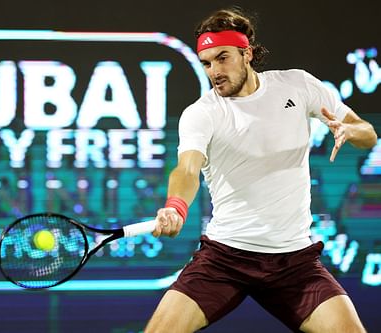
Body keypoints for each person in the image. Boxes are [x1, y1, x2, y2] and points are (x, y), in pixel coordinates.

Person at [145, 7, 378, 333]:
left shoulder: (297, 86)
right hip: (224, 260)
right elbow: (186, 170)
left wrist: (350, 131)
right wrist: (175, 207)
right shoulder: (203, 113)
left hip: (294, 262)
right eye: (207, 63)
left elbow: (367, 133)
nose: (215, 71)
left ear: (247, 53)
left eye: (223, 58)